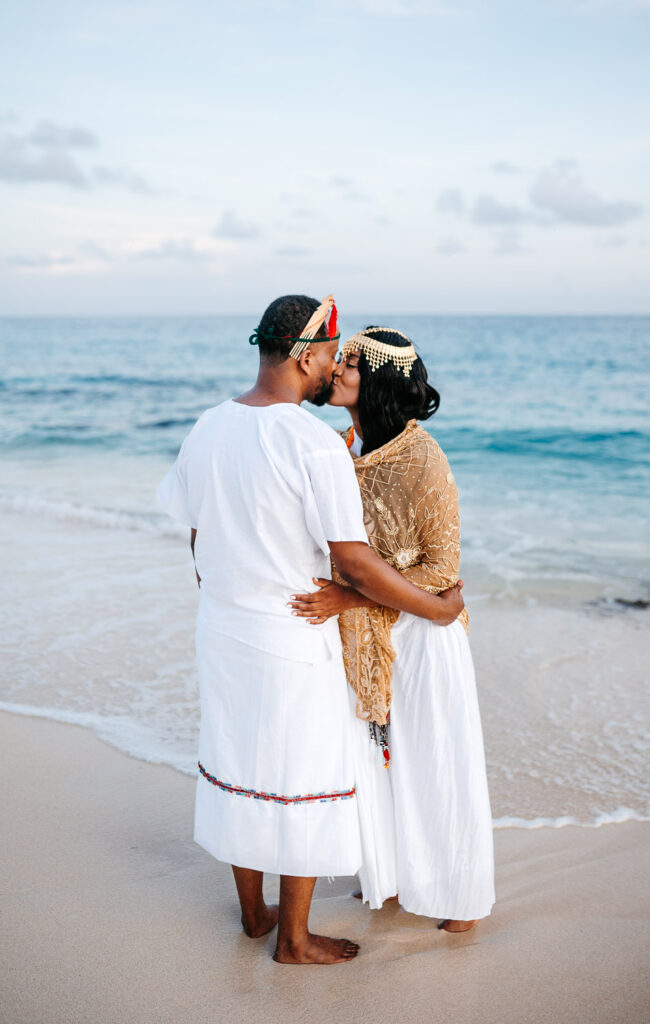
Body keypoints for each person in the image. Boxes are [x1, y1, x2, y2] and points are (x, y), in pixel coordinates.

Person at [157, 298, 466, 965]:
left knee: (239, 761)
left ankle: (252, 914)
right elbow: (352, 559)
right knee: (300, 774)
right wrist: (432, 607)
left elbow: (195, 535)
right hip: (292, 632)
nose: (333, 368)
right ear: (304, 355)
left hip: (222, 627)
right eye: (331, 354)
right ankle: (292, 940)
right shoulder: (309, 443)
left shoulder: (208, 426)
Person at [290, 326, 495, 932]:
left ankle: (461, 902)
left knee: (438, 765)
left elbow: (441, 571)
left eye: (351, 363)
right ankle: (398, 877)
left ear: (376, 380)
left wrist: (351, 596)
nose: (339, 369)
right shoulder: (343, 448)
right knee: (381, 763)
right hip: (368, 634)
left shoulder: (421, 456)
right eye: (341, 358)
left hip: (426, 639)